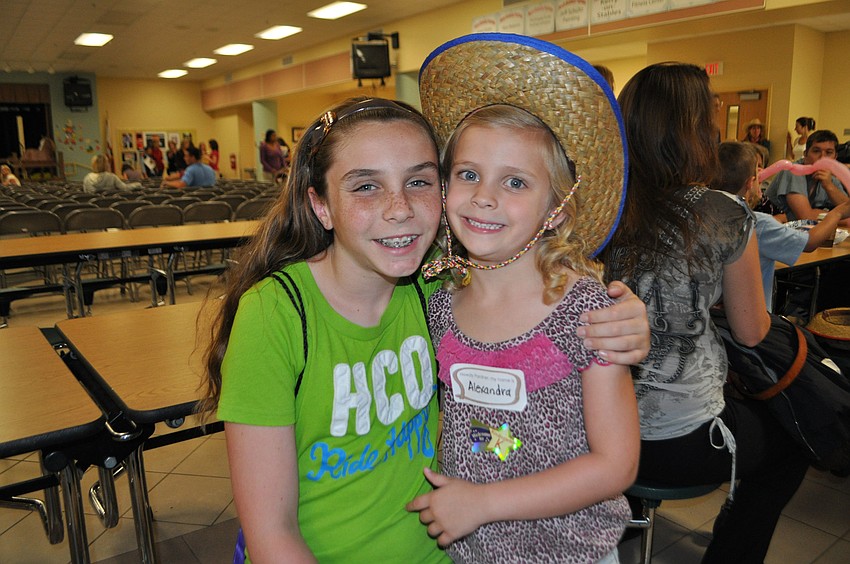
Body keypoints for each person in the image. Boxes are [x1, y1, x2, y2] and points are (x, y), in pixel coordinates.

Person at [199, 96, 649, 562]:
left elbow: (527, 283)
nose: (399, 209)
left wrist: (626, 317)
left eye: (418, 181)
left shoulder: (433, 282)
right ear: (321, 206)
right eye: (366, 187)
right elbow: (271, 533)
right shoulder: (281, 314)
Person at [409, 35, 639, 563]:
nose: (484, 196)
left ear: (556, 209)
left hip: (569, 552)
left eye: (515, 182)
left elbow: (616, 465)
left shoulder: (587, 313)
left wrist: (483, 503)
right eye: (468, 174)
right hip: (470, 548)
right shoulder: (440, 299)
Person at [605, 62, 810, 563]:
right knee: (794, 441)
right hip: (679, 439)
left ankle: (622, 522)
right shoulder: (723, 210)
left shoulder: (600, 206)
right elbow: (751, 328)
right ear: (697, 129)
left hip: (599, 434)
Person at [716, 141, 850, 311]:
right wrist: (836, 214)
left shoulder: (705, 215)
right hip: (753, 319)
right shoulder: (758, 223)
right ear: (751, 183)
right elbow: (810, 242)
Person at [766, 129, 850, 222]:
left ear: (835, 157)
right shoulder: (793, 170)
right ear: (805, 154)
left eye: (829, 152)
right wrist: (837, 215)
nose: (822, 158)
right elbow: (805, 216)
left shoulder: (830, 178)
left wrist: (829, 186)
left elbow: (848, 212)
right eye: (816, 151)